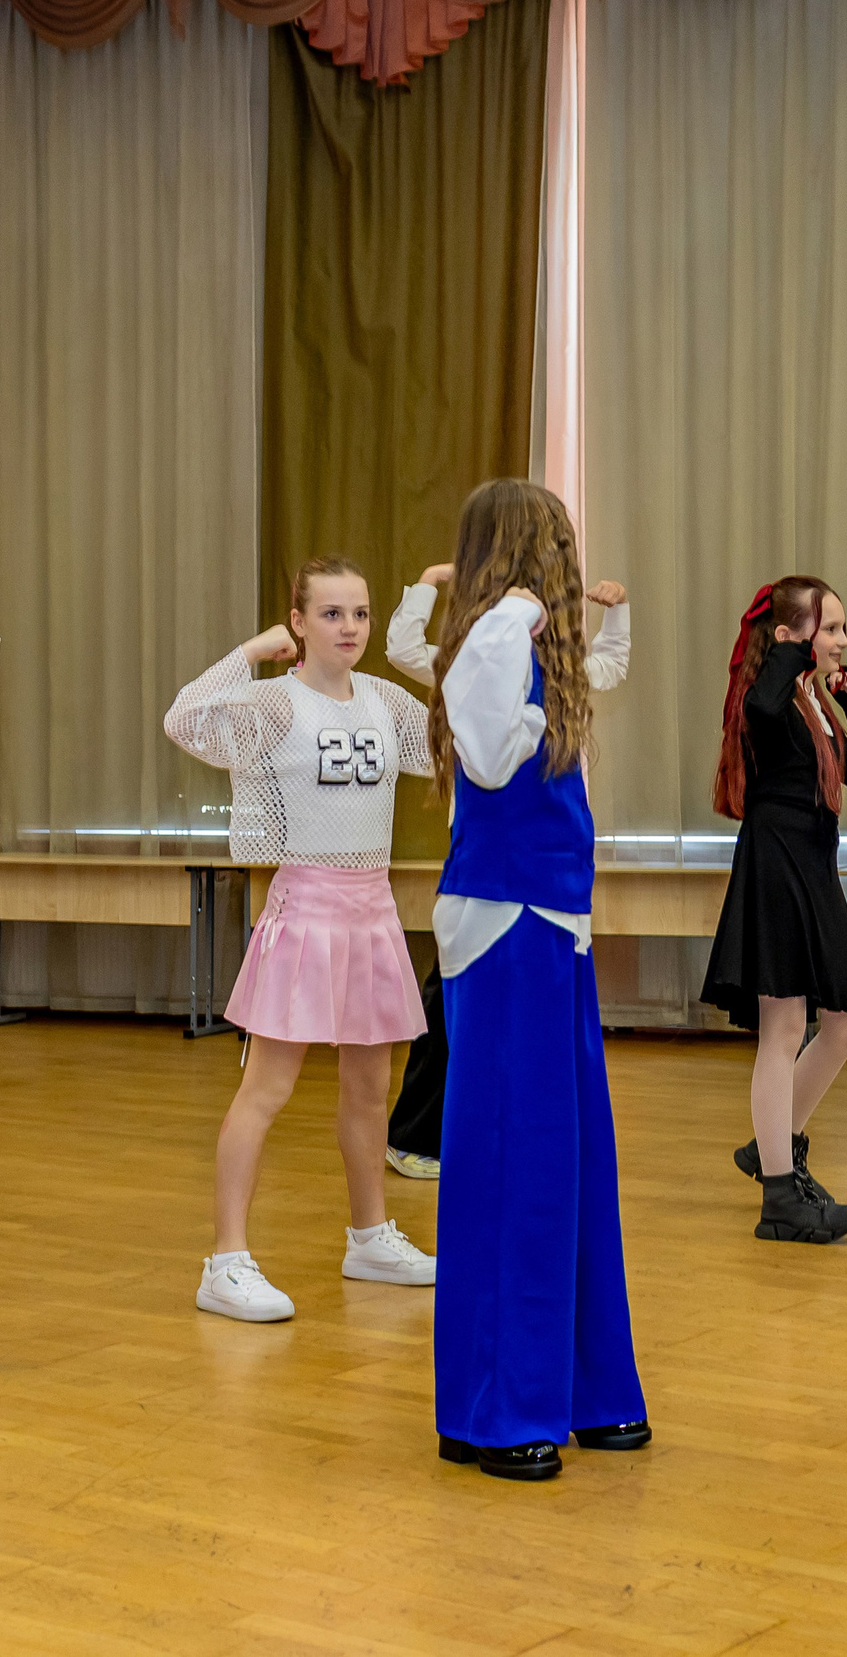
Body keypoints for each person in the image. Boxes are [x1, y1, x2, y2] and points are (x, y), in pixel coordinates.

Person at [429, 478, 648, 1482]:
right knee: (512, 1162)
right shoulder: (495, 637)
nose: (567, 561)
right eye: (554, 544)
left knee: (572, 1161)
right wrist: (518, 617)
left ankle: (584, 1387)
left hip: (554, 920)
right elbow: (484, 758)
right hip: (503, 918)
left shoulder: (537, 648)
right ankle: (494, 1405)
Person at [164, 557, 439, 1322]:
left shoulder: (386, 700)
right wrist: (251, 653)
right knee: (267, 1088)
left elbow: (460, 741)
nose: (349, 627)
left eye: (360, 613)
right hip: (305, 911)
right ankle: (225, 1260)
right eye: (331, 613)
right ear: (298, 621)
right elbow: (185, 718)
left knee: (370, 1089)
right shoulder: (274, 705)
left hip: (372, 913)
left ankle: (370, 1234)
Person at [380, 566, 631, 1180]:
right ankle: (412, 1137)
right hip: (484, 867)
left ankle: (475, 1140)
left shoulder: (563, 675)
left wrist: (618, 610)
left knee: (503, 1026)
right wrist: (428, 581)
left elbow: (612, 663)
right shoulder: (469, 661)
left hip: (534, 872)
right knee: (447, 1008)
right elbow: (403, 649)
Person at [700, 578, 847, 1240]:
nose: (843, 641)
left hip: (814, 867)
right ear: (790, 638)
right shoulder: (773, 698)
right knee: (782, 1030)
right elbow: (759, 702)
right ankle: (780, 1197)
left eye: (842, 628)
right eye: (830, 628)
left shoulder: (814, 704)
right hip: (777, 864)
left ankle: (771, 1146)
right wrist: (793, 650)